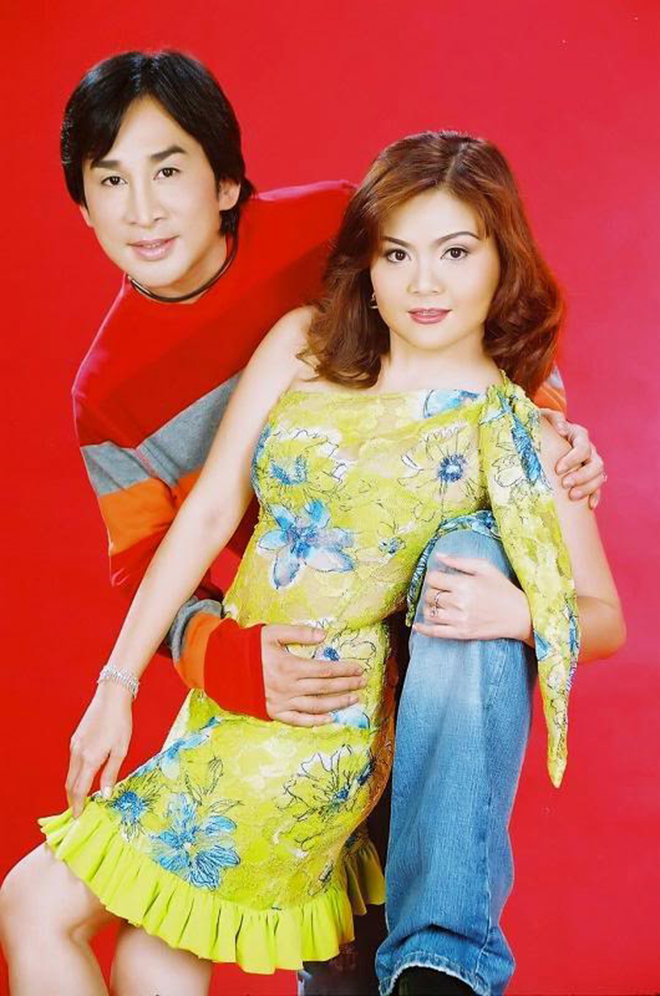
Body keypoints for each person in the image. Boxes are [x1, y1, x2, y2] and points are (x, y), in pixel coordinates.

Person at [0, 126, 624, 996]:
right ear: (368, 263)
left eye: (455, 252)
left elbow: (604, 618)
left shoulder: (517, 428)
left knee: (32, 904)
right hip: (223, 714)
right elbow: (208, 512)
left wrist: (520, 614)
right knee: (151, 954)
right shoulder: (306, 345)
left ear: (501, 260)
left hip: (314, 735)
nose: (424, 283)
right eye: (398, 253)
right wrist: (118, 686)